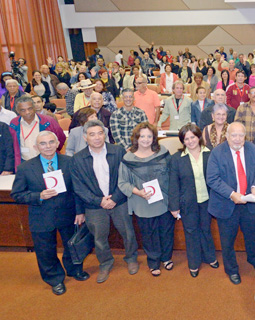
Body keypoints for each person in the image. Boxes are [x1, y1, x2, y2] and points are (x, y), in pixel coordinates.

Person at [10, 131, 88, 295]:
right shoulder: (25, 168)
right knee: (45, 250)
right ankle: (55, 279)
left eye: (51, 142)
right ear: (36, 146)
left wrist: (80, 211)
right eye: (43, 143)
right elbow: (17, 195)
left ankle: (74, 270)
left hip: (68, 213)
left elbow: (78, 189)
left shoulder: (69, 162)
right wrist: (38, 195)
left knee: (72, 245)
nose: (48, 146)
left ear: (58, 143)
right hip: (41, 216)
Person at [70, 120, 139, 283]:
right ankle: (106, 262)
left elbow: (127, 177)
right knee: (99, 237)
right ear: (85, 137)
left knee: (128, 232)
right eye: (92, 134)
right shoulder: (78, 159)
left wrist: (114, 198)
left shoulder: (118, 151)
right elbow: (78, 187)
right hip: (94, 205)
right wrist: (99, 201)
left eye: (100, 133)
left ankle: (131, 258)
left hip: (119, 201)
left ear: (105, 134)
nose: (97, 137)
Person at [206, 122, 255, 284]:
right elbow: (212, 179)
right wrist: (232, 194)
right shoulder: (217, 153)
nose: (238, 139)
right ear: (227, 136)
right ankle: (231, 269)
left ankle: (253, 259)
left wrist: (254, 186)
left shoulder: (251, 149)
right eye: (234, 135)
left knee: (253, 235)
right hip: (226, 204)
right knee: (227, 241)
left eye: (241, 135)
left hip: (248, 203)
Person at [118, 123, 174, 277]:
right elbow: (122, 183)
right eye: (142, 136)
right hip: (142, 203)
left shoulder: (162, 152)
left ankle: (166, 258)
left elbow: (172, 174)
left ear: (154, 138)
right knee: (149, 235)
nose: (146, 139)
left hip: (164, 201)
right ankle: (154, 262)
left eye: (149, 136)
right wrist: (139, 192)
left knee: (166, 232)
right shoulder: (128, 158)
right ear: (136, 138)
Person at [168, 124, 219, 277]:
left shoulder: (210, 154)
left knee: (206, 229)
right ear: (182, 141)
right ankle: (194, 262)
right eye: (186, 138)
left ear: (198, 137)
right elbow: (173, 184)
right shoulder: (176, 159)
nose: (190, 141)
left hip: (207, 201)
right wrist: (174, 206)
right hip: (187, 202)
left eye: (193, 137)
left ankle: (209, 256)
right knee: (191, 232)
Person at [8, 96, 66, 170]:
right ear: (17, 111)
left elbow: (60, 139)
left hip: (46, 163)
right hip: (24, 163)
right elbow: (12, 145)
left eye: (30, 108)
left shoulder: (48, 121)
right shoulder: (14, 123)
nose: (27, 112)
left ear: (34, 107)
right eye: (23, 110)